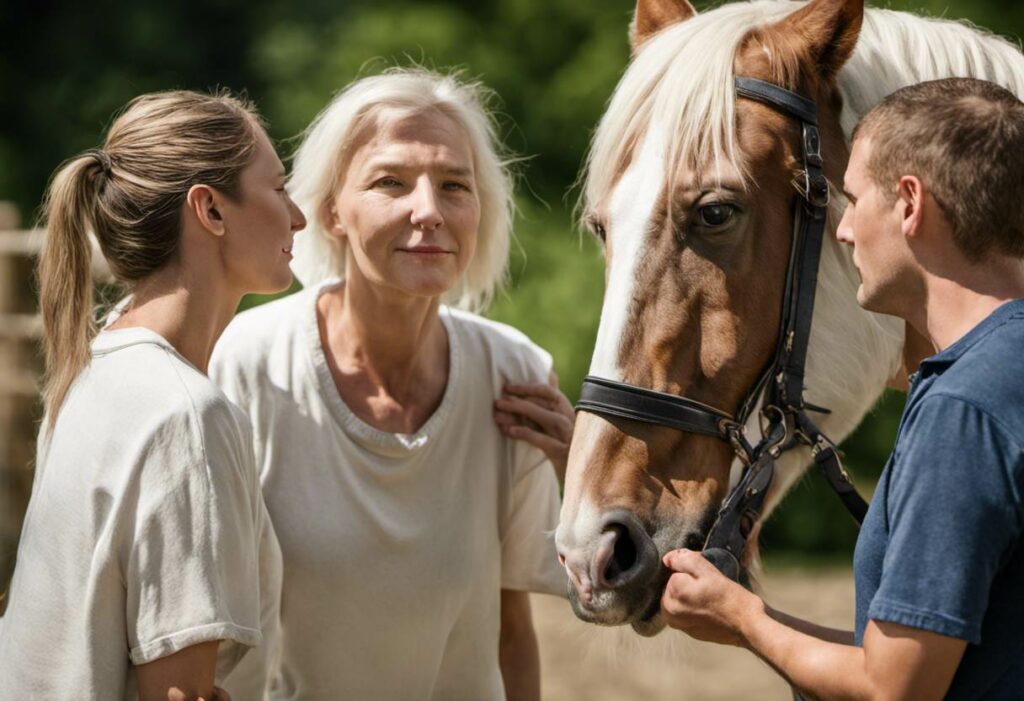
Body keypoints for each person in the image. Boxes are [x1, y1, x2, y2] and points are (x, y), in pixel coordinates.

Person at [209, 67, 573, 701]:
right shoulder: (248, 362)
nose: (429, 211)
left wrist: (583, 464)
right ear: (330, 214)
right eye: (390, 182)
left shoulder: (514, 377)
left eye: (454, 185)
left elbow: (512, 632)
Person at [658, 77, 1024, 699]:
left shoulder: (965, 406)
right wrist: (750, 617)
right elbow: (921, 661)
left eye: (852, 199)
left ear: (910, 204)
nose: (845, 229)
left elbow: (895, 689)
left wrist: (743, 620)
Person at [0, 90, 305, 700]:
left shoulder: (94, 373)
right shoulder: (184, 414)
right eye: (278, 187)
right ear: (211, 211)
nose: (297, 216)